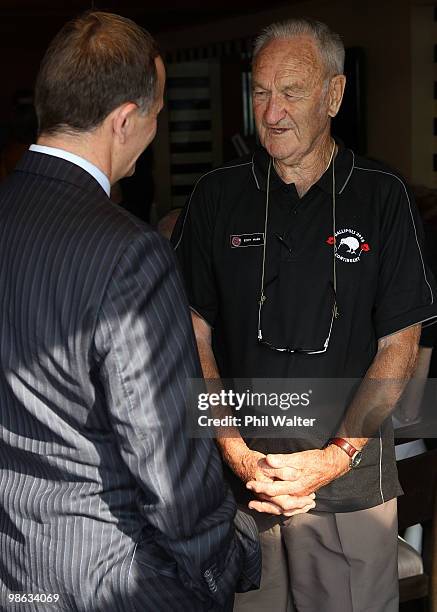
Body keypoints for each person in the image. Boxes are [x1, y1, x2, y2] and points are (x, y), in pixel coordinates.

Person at [172, 17, 437, 612]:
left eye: (290, 92)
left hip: (350, 483)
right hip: (242, 484)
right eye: (260, 92)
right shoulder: (217, 196)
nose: (271, 112)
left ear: (334, 95)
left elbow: (400, 342)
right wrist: (232, 445)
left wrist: (334, 455)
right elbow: (193, 332)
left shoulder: (383, 195)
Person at [0, 12, 261, 611]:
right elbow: (169, 469)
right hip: (113, 581)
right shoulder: (130, 253)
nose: (157, 126)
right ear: (124, 121)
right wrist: (230, 560)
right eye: (157, 111)